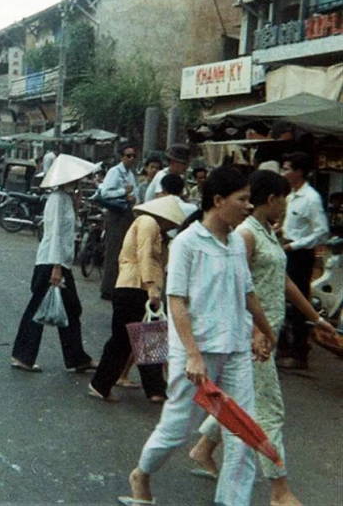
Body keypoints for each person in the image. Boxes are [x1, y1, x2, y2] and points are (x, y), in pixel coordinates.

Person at [122, 167, 277, 506]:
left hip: (235, 349)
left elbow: (246, 293)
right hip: (197, 351)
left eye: (250, 200)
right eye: (242, 200)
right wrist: (192, 353)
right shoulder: (187, 243)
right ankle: (142, 474)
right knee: (177, 428)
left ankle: (232, 501)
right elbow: (176, 300)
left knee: (242, 430)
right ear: (218, 201)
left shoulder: (236, 242)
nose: (248, 207)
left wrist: (264, 330)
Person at [189, 170, 337, 506]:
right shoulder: (245, 234)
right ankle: (279, 489)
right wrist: (255, 331)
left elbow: (282, 281)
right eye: (283, 199)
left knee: (242, 403)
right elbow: (235, 287)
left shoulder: (267, 233)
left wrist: (316, 319)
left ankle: (203, 449)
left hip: (264, 337)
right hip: (250, 340)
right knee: (269, 411)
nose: (286, 206)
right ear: (271, 200)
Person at [89, 196, 185, 403]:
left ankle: (155, 388)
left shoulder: (157, 232)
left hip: (140, 288)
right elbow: (144, 254)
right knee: (124, 340)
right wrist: (151, 285)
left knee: (150, 339)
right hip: (134, 287)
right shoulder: (147, 223)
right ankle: (101, 384)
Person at [11, 154, 98, 373]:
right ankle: (24, 356)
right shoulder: (58, 199)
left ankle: (76, 358)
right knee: (40, 308)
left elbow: (69, 229)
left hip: (56, 261)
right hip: (52, 262)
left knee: (71, 309)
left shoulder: (66, 198)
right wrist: (57, 267)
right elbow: (56, 232)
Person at [278, 151, 329, 370]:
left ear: (298, 172)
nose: (284, 172)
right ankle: (284, 346)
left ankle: (300, 352)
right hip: (286, 249)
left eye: (287, 168)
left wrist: (294, 245)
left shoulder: (311, 198)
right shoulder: (289, 195)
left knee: (298, 301)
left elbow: (322, 232)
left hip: (300, 254)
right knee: (281, 300)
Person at [98, 144, 138, 301]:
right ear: (122, 157)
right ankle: (108, 289)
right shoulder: (115, 172)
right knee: (114, 253)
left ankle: (119, 288)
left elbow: (134, 192)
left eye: (133, 156)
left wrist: (133, 198)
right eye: (128, 156)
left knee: (125, 253)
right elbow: (105, 193)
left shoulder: (130, 174)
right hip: (116, 216)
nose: (131, 159)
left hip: (127, 215)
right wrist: (123, 192)